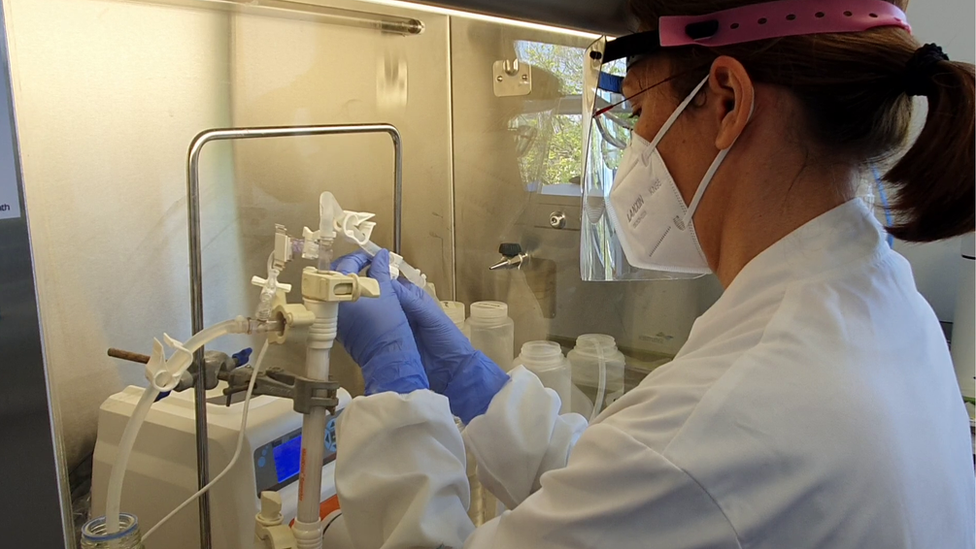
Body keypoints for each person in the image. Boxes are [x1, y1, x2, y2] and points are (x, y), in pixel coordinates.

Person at [330, 0, 975, 547]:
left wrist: (393, 391)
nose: (638, 145)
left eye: (639, 113)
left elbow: (671, 470)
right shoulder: (884, 304)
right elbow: (632, 489)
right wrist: (476, 387)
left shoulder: (737, 408)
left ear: (726, 100)